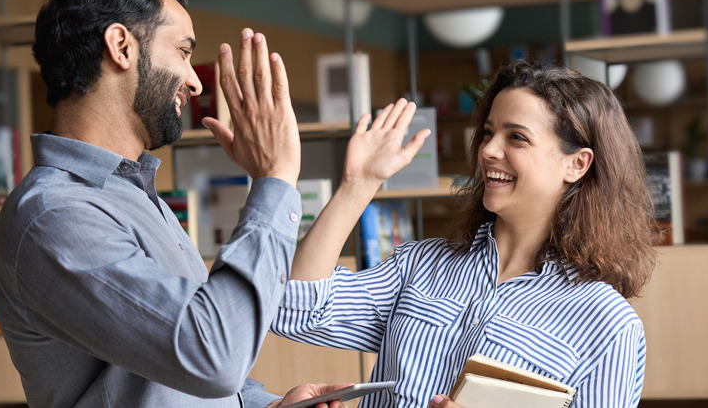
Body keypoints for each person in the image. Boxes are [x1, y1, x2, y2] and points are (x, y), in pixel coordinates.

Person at [0, 0, 421, 406]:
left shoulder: (133, 196)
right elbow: (213, 357)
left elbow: (171, 372)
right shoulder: (55, 216)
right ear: (121, 47)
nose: (195, 82)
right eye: (183, 52)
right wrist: (275, 177)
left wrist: (268, 405)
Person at [272, 59, 660, 408]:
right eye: (488, 132)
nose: (488, 150)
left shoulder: (608, 326)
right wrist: (358, 184)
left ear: (577, 164)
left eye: (517, 137)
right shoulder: (420, 265)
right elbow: (295, 309)